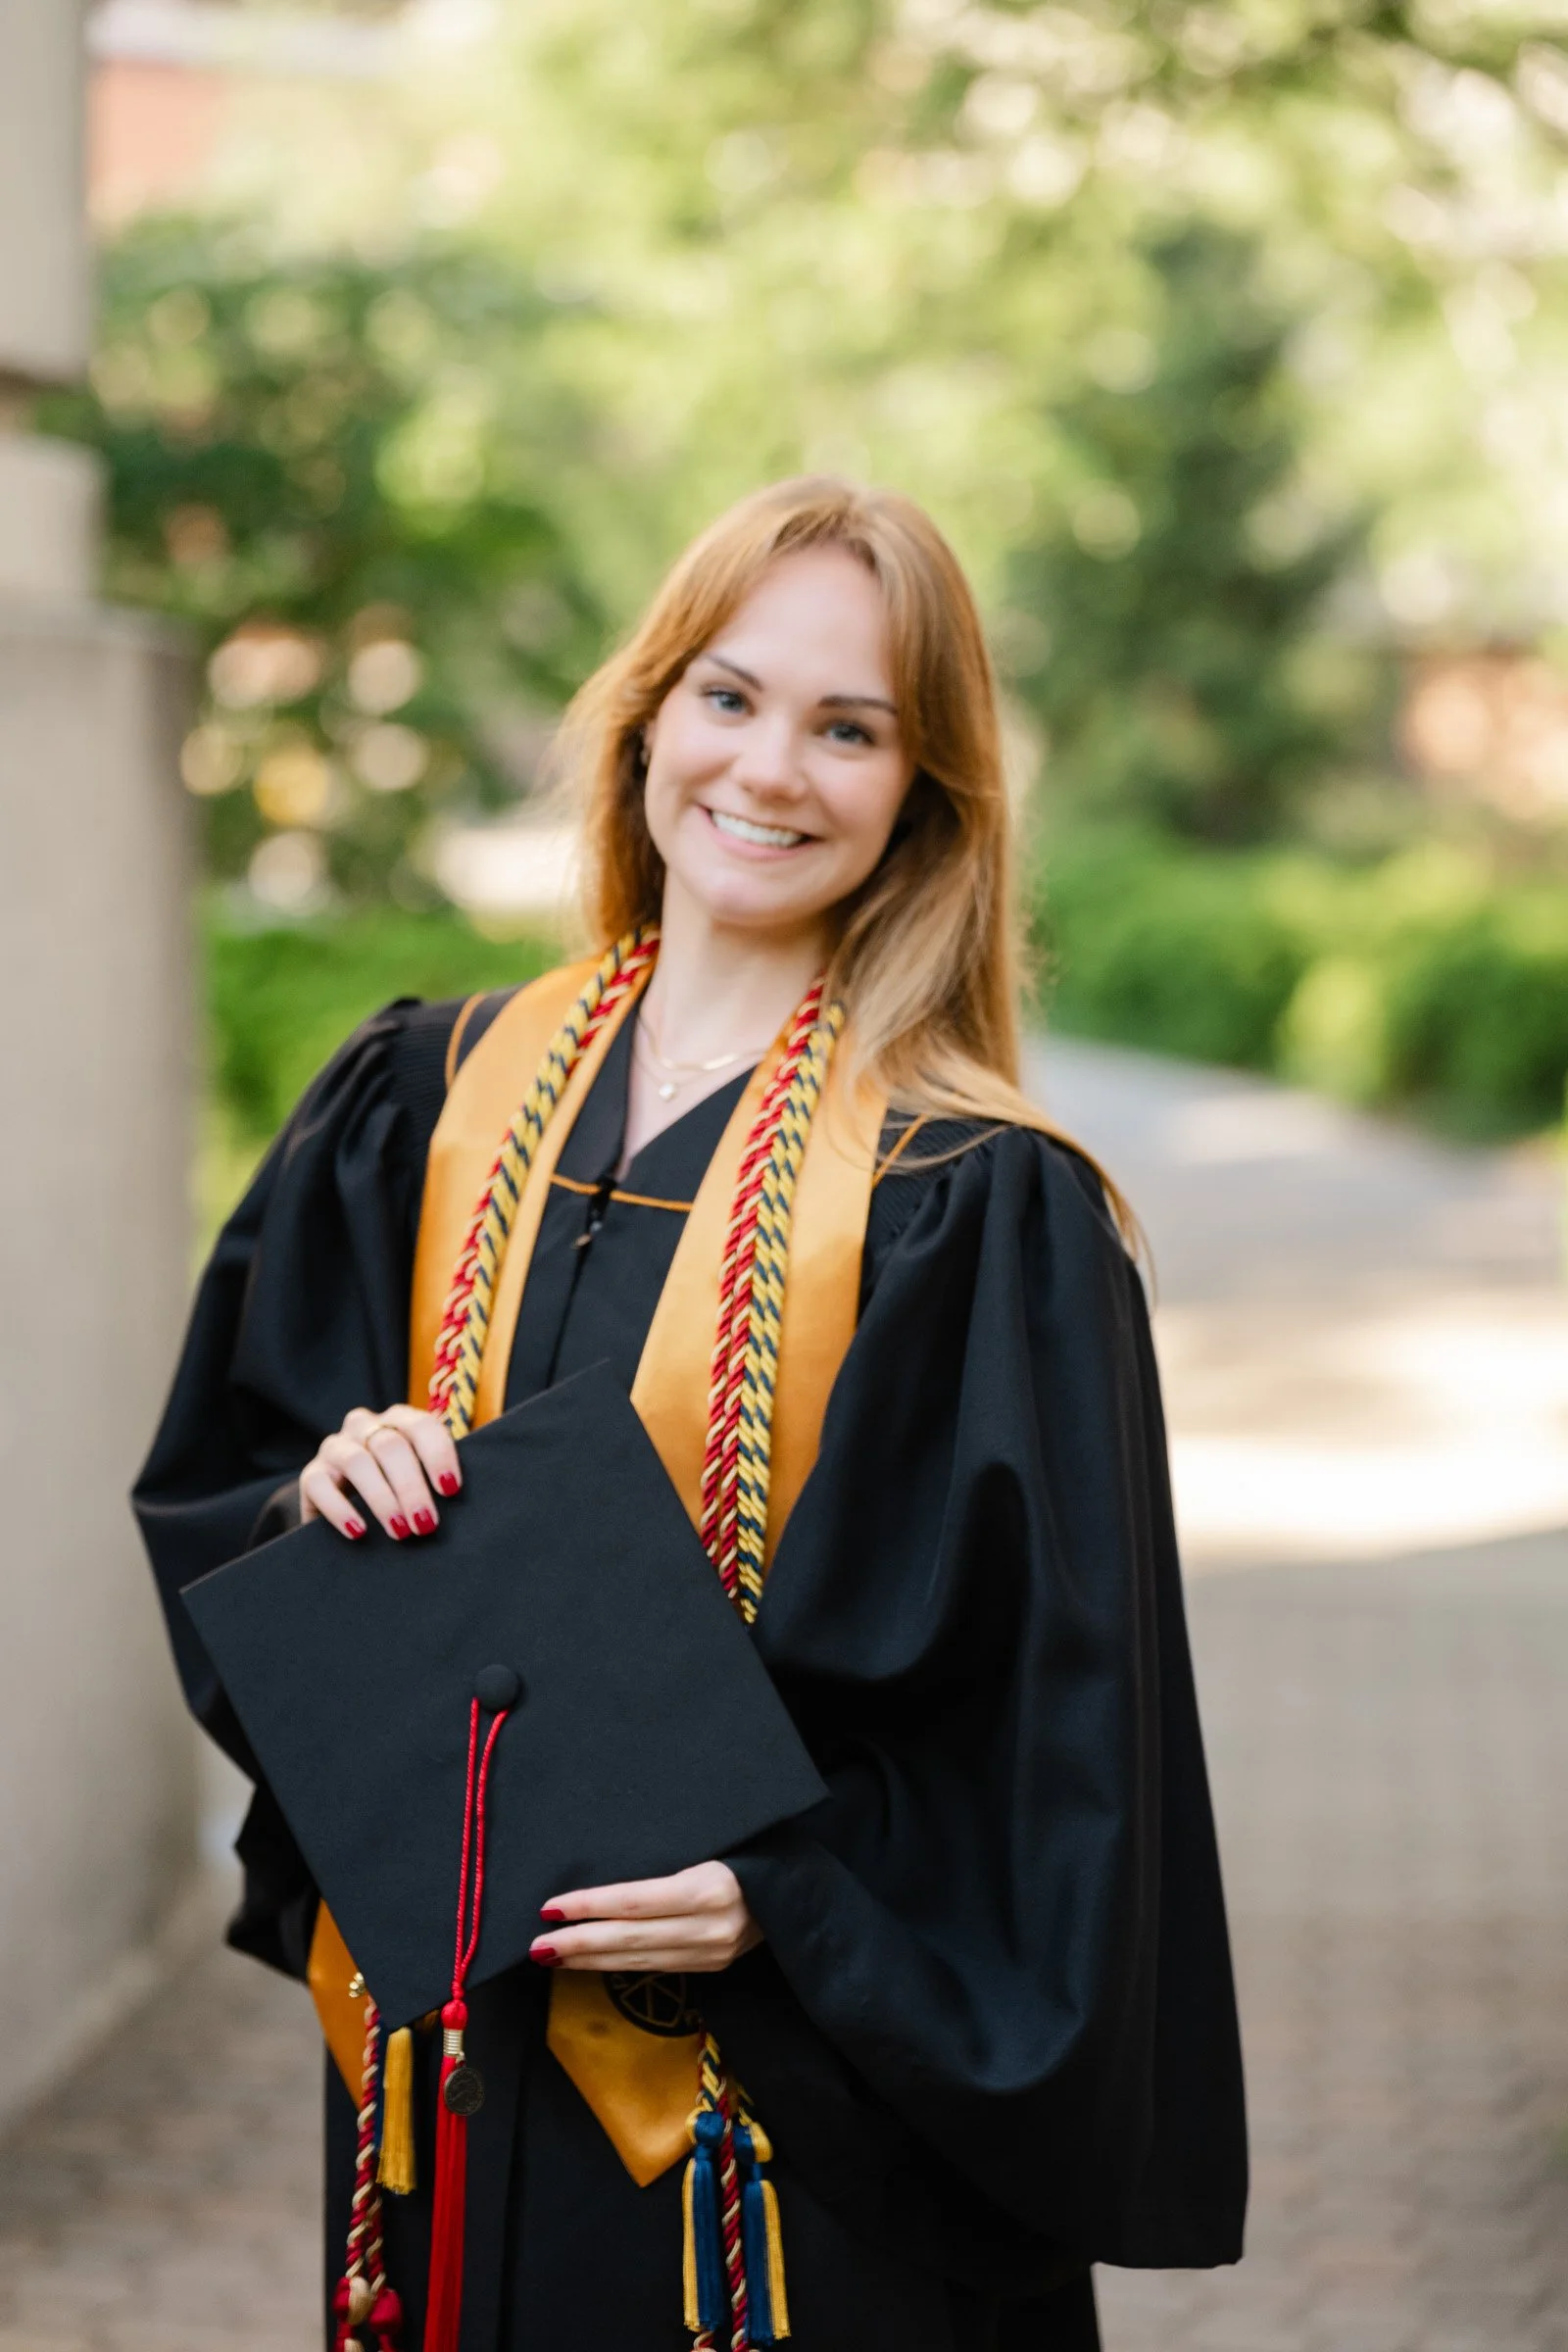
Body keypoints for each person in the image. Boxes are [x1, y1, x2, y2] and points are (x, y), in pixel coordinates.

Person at [134, 475, 1247, 2352]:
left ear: (925, 795)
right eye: (730, 697)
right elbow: (223, 1509)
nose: (772, 770)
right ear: (648, 714)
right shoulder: (423, 1097)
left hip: (788, 2134)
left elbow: (1059, 1754)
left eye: (851, 727)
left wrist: (787, 1909)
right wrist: (330, 1504)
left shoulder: (974, 1206)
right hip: (451, 2092)